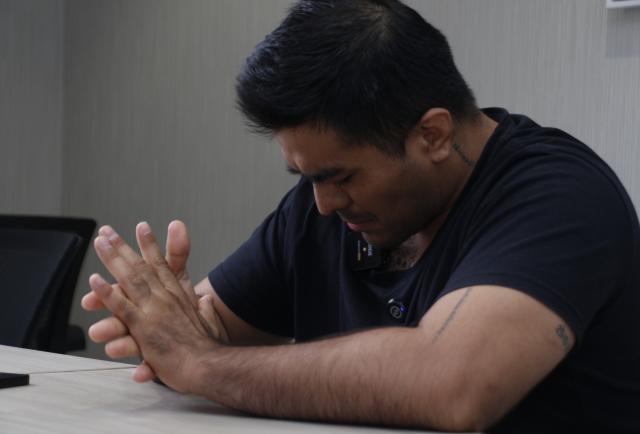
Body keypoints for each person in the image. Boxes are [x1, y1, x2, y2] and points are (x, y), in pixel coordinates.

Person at [81, 0, 640, 432]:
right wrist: (171, 328)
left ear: (432, 135)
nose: (324, 203)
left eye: (341, 177)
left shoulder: (560, 196)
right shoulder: (323, 203)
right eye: (306, 177)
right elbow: (211, 329)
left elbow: (452, 385)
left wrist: (202, 364)